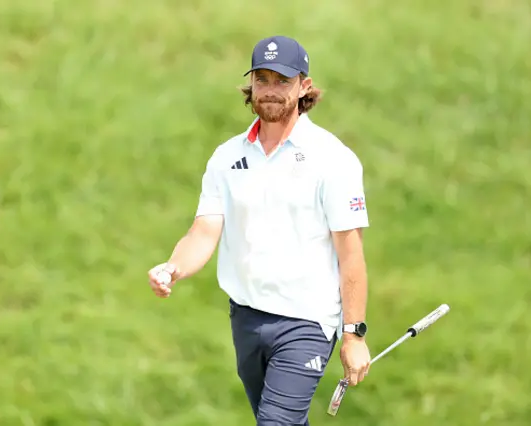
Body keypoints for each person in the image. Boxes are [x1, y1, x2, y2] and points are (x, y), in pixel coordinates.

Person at [147, 35, 371, 425]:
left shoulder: (332, 159)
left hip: (306, 322)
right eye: (262, 79)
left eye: (282, 81)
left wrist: (353, 335)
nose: (270, 91)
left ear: (304, 86)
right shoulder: (227, 157)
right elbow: (204, 230)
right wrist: (173, 267)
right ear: (250, 86)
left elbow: (350, 253)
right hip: (247, 319)